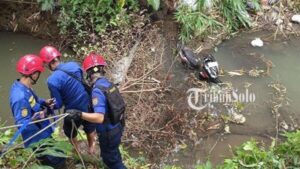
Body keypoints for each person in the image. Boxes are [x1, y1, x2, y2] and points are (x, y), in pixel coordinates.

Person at [67, 52, 126, 169]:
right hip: (118, 126)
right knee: (113, 154)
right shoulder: (108, 84)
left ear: (88, 73)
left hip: (108, 132)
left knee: (112, 161)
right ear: (102, 69)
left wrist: (79, 114)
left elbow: (99, 118)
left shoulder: (97, 91)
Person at [9, 54, 65, 168]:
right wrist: (37, 116)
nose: (39, 75)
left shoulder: (24, 86)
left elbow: (34, 100)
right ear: (34, 74)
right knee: (55, 161)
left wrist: (44, 102)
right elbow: (22, 123)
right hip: (36, 136)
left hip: (42, 128)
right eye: (38, 72)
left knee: (58, 154)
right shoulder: (19, 97)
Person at [39, 46, 96, 154]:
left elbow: (58, 104)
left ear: (47, 64)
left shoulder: (52, 81)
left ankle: (77, 151)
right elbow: (81, 82)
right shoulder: (74, 65)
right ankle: (91, 150)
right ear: (58, 57)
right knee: (90, 128)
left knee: (69, 131)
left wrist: (50, 105)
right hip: (87, 104)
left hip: (73, 112)